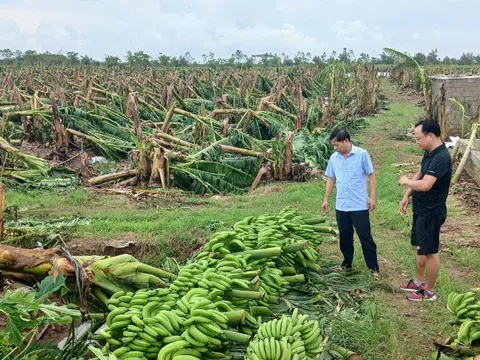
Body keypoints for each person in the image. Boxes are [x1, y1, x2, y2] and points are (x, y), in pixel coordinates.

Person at [398, 119, 452, 302]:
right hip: (421, 209)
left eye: (419, 138)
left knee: (430, 251)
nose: (417, 142)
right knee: (420, 247)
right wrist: (408, 194)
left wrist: (406, 181)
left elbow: (426, 184)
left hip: (432, 212)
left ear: (431, 135)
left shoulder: (441, 157)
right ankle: (418, 281)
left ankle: (429, 291)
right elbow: (420, 174)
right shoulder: (429, 153)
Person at [322, 129, 379, 275]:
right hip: (342, 205)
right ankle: (347, 263)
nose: (335, 148)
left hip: (359, 205)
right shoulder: (334, 158)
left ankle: (373, 268)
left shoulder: (362, 154)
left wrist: (372, 197)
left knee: (365, 237)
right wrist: (326, 199)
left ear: (346, 141)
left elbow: (371, 175)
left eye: (337, 145)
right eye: (333, 146)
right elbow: (331, 179)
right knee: (345, 237)